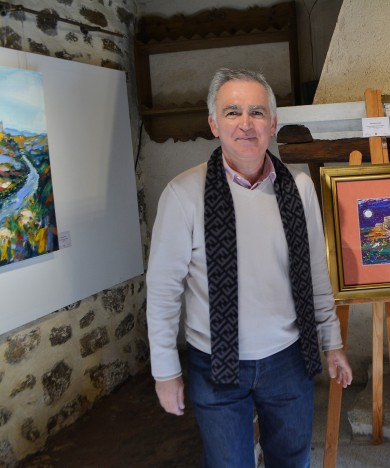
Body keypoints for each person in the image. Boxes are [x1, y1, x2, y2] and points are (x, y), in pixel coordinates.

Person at [146, 68, 352, 468]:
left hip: (288, 360)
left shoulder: (298, 187)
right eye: (232, 112)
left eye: (257, 112)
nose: (245, 124)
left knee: (292, 462)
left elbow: (315, 274)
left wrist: (332, 341)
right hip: (215, 366)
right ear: (213, 124)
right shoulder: (184, 194)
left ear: (273, 123)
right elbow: (163, 290)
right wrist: (165, 371)